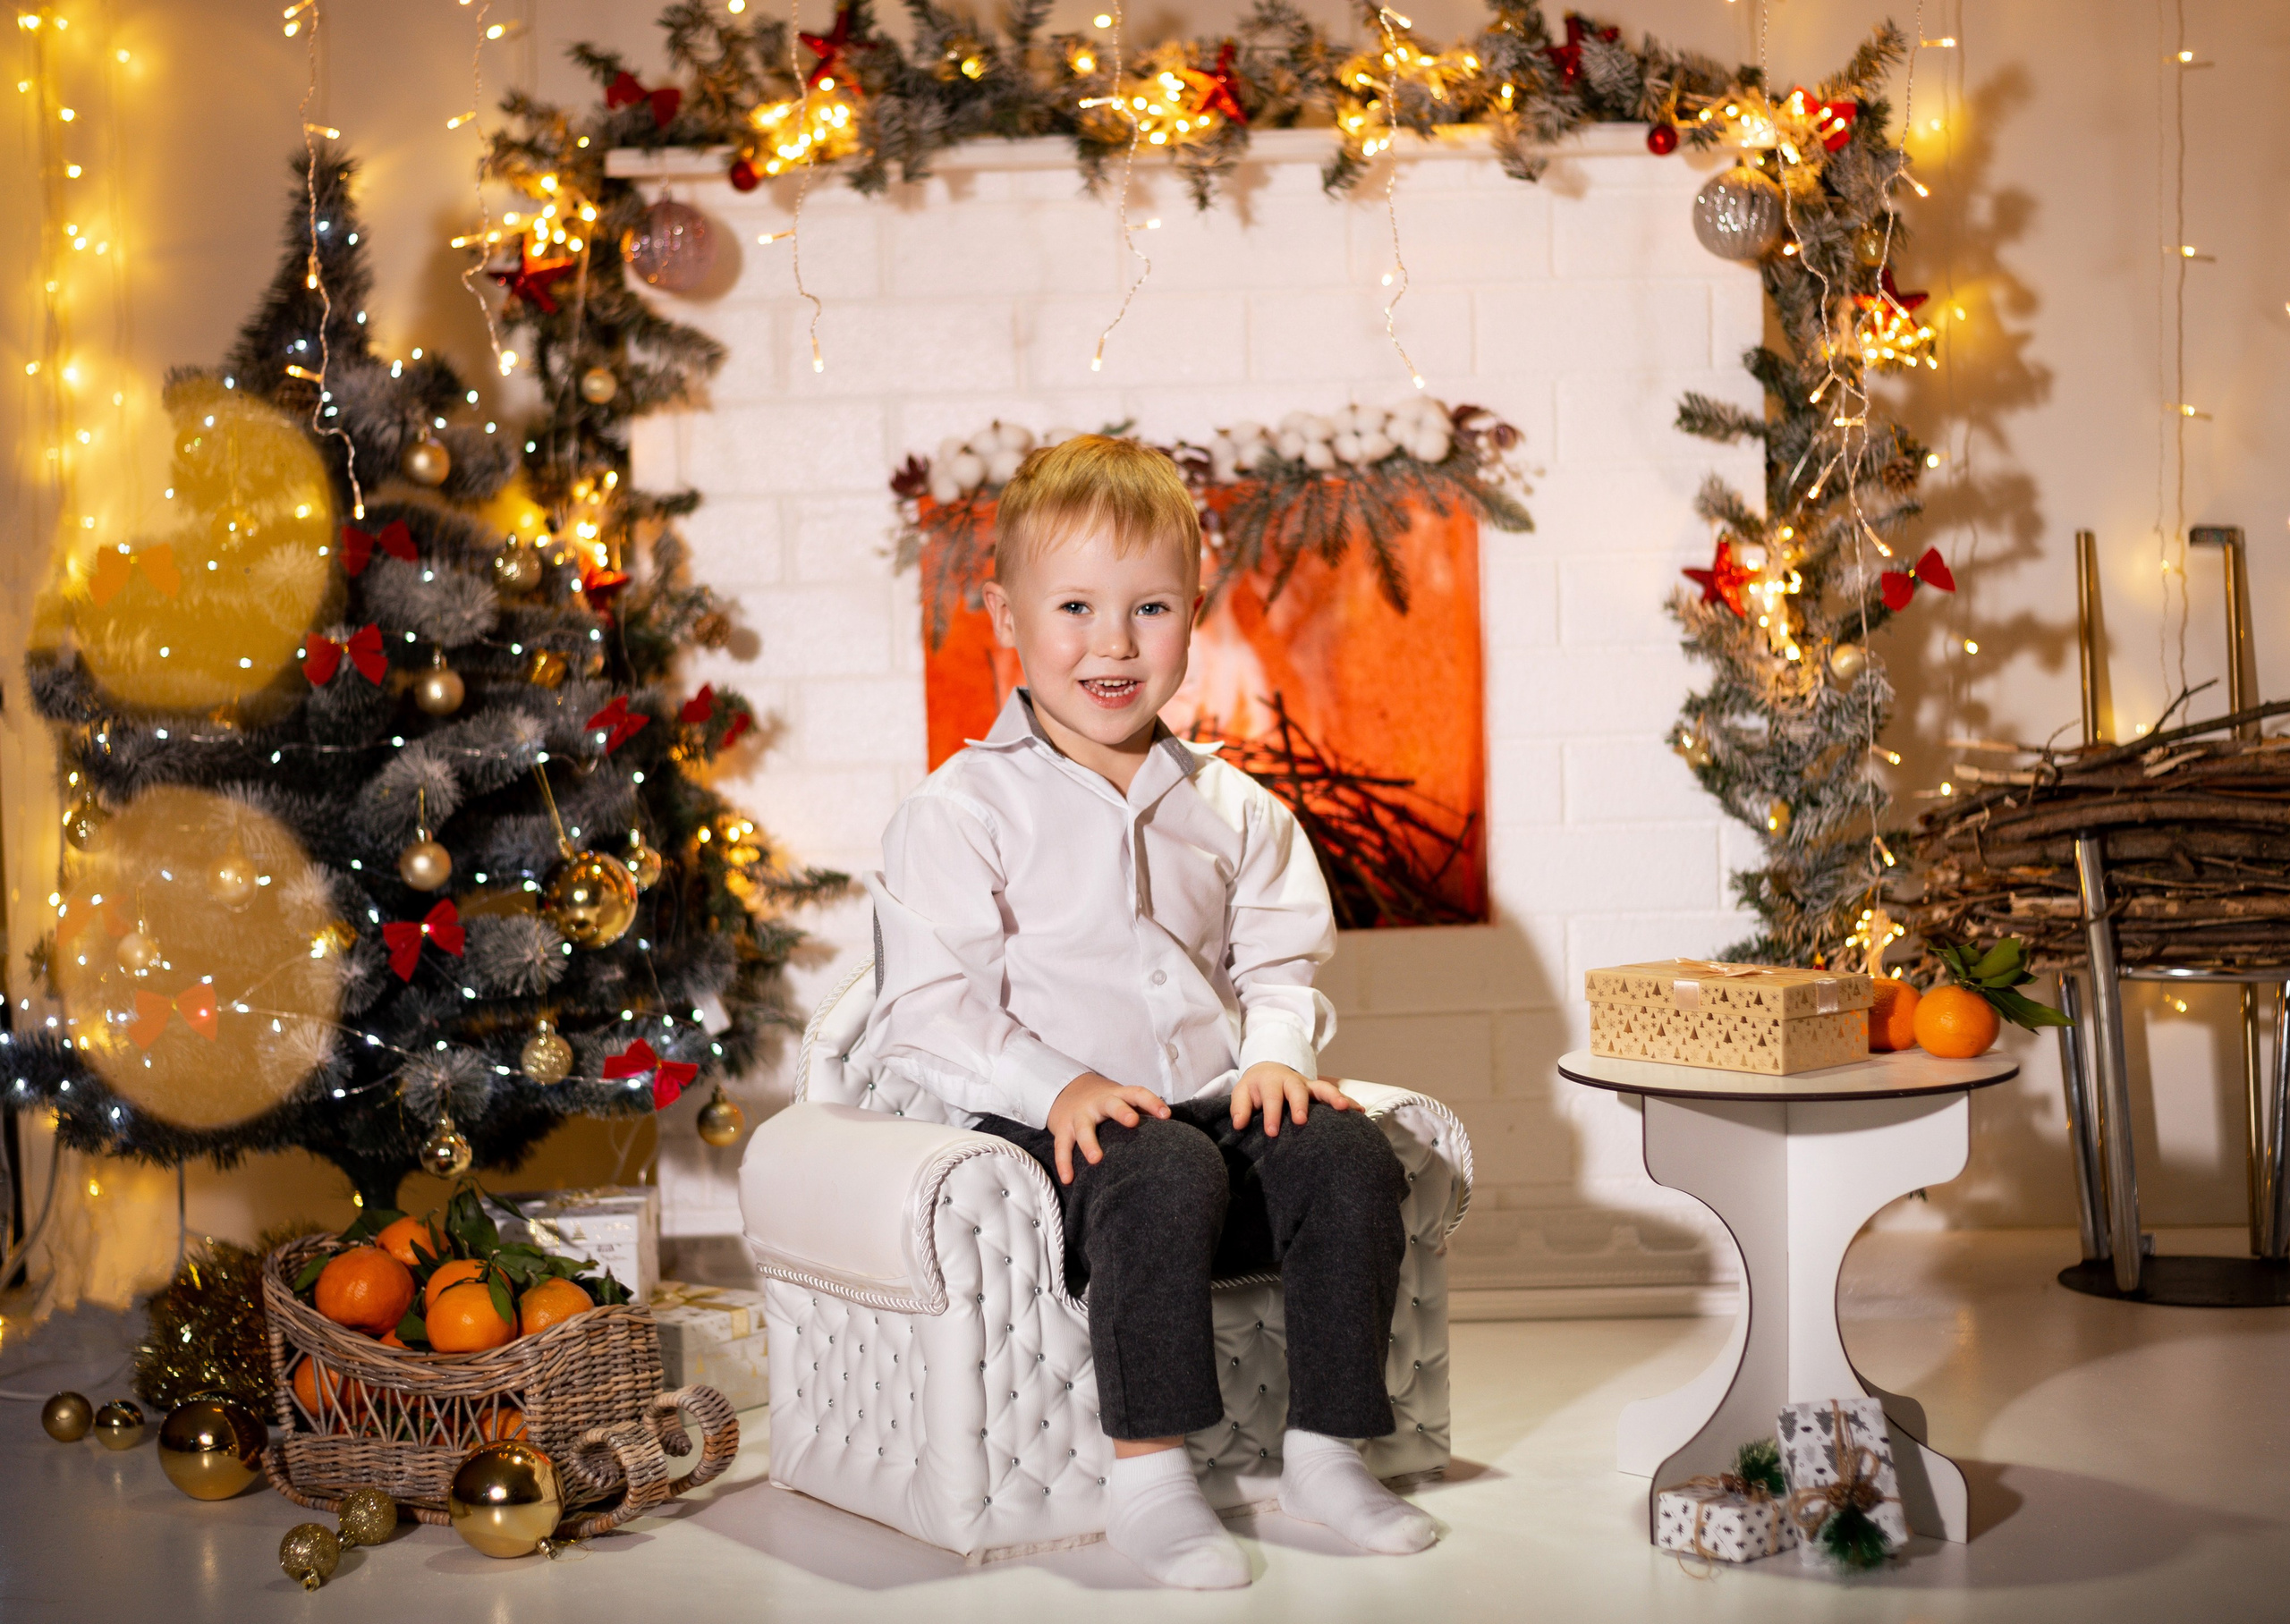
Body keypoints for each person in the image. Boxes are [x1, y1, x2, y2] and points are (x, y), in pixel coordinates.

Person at [852, 434, 1437, 1588]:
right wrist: (1052, 1086)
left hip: (1205, 1113)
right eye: (1074, 606)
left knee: (1345, 1152)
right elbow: (923, 1006)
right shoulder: (964, 808)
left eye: (1149, 608)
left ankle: (1327, 1452)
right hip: (1058, 1137)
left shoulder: (1233, 806)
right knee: (1160, 1164)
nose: (1112, 644)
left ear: (1194, 614)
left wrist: (1273, 1055)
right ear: (1006, 614)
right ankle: (1150, 1478)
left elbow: (1279, 960)